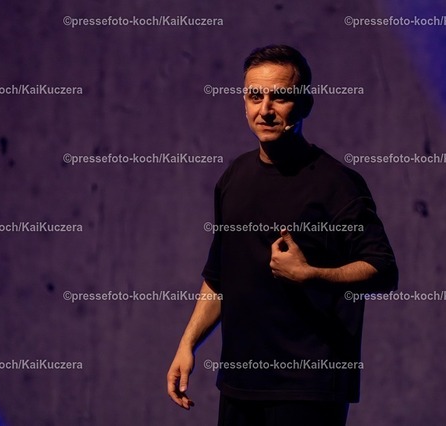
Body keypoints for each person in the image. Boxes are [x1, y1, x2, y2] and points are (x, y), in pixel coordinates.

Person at [166, 44, 398, 426]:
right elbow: (219, 278)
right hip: (240, 385)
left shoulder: (337, 184)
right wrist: (187, 343)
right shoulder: (234, 178)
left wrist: (311, 275)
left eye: (280, 97)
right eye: (255, 96)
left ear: (305, 104)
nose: (265, 109)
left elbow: (384, 270)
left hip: (309, 388)